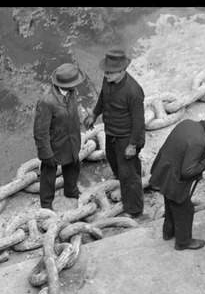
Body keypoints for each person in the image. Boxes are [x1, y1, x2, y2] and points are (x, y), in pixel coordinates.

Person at [149, 110, 205, 250]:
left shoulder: (187, 122)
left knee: (170, 203)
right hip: (176, 179)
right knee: (185, 210)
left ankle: (168, 232)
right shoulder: (200, 141)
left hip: (164, 170)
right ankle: (183, 242)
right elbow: (188, 172)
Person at [90, 48, 146, 219]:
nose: (106, 75)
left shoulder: (134, 92)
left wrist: (132, 145)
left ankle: (134, 209)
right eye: (106, 72)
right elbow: (103, 97)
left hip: (127, 136)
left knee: (128, 174)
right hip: (111, 130)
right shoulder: (109, 80)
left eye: (110, 73)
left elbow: (138, 122)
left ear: (122, 71)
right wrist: (94, 114)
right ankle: (123, 175)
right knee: (113, 159)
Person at [34, 63, 87, 210]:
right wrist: (46, 153)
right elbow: (40, 131)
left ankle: (71, 191)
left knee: (73, 166)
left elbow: (74, 112)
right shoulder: (47, 101)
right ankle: (46, 204)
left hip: (71, 140)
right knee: (48, 174)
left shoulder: (72, 92)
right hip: (55, 144)